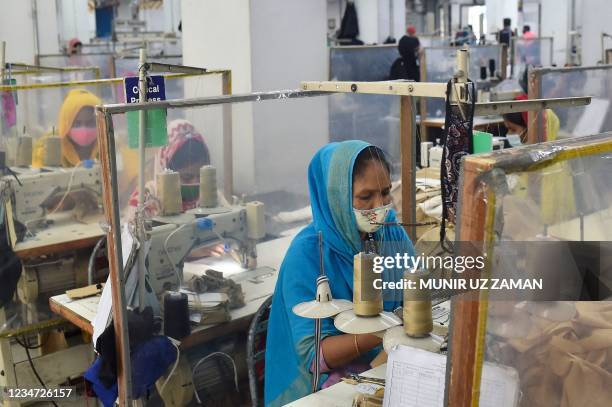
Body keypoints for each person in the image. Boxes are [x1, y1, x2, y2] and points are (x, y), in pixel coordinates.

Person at [264, 141, 415, 406]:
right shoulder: (309, 255)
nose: (379, 207)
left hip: (380, 366)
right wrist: (385, 330)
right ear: (335, 196)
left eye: (385, 193)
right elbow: (316, 357)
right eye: (366, 197)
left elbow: (417, 291)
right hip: (318, 390)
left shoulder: (390, 233)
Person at [32, 89, 101, 168]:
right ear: (66, 123)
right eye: (77, 123)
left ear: (100, 122)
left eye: (90, 123)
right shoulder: (45, 148)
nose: (84, 130)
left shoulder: (106, 145)